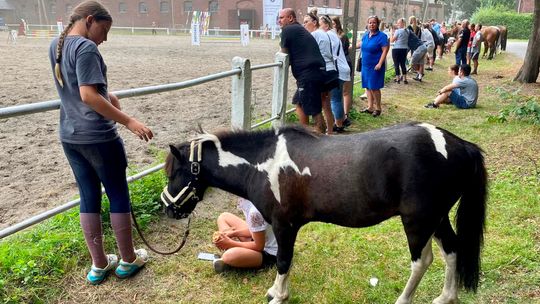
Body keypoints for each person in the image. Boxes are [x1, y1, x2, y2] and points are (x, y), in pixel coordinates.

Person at [48, 1, 153, 285]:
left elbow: (79, 89)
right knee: (118, 193)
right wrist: (128, 120)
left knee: (88, 197)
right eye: (104, 30)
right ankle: (128, 260)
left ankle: (99, 265)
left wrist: (108, 96)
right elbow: (88, 96)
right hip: (98, 136)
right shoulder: (85, 48)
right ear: (90, 20)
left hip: (70, 135)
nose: (104, 38)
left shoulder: (56, 45)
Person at [278, 8, 326, 133]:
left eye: (282, 18)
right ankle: (306, 134)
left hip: (309, 74)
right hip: (315, 71)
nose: (279, 21)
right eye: (279, 18)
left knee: (315, 110)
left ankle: (322, 139)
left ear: (290, 18)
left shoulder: (287, 30)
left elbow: (283, 54)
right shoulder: (299, 29)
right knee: (299, 102)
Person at [212, 198, 278, 273]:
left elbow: (259, 246)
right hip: (260, 238)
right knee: (223, 217)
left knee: (228, 255)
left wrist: (230, 243)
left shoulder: (254, 212)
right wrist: (234, 233)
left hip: (270, 253)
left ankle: (232, 260)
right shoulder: (248, 199)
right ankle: (238, 256)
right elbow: (255, 230)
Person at [302, 10, 338, 134]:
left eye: (306, 22)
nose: (304, 25)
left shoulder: (314, 35)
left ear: (314, 22)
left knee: (318, 103)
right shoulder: (324, 33)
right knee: (326, 104)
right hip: (331, 70)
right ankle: (330, 131)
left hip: (323, 71)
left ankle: (320, 131)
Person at [319, 14, 351, 133]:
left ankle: (338, 124)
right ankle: (341, 119)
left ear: (326, 25)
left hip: (337, 69)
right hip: (342, 68)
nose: (319, 26)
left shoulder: (328, 35)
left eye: (320, 24)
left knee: (335, 99)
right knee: (337, 98)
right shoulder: (333, 34)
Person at [359, 15, 389, 117]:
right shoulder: (366, 35)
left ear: (377, 24)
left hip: (376, 66)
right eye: (370, 22)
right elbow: (361, 44)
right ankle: (370, 107)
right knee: (367, 86)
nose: (372, 24)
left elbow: (385, 50)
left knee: (374, 87)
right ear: (367, 24)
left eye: (374, 23)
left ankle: (378, 108)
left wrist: (380, 63)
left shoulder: (382, 36)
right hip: (365, 65)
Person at [331, 16, 354, 127]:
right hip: (341, 63)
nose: (332, 25)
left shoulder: (342, 36)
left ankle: (344, 115)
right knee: (339, 94)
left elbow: (343, 50)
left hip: (343, 62)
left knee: (344, 92)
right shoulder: (334, 35)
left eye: (333, 23)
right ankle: (342, 117)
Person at [390, 18, 409, 84]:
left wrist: (391, 33)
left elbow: (392, 40)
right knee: (403, 64)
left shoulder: (398, 31)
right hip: (404, 49)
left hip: (396, 49)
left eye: (399, 23)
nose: (397, 24)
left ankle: (397, 78)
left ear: (403, 23)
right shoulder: (407, 31)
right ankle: (405, 78)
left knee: (396, 64)